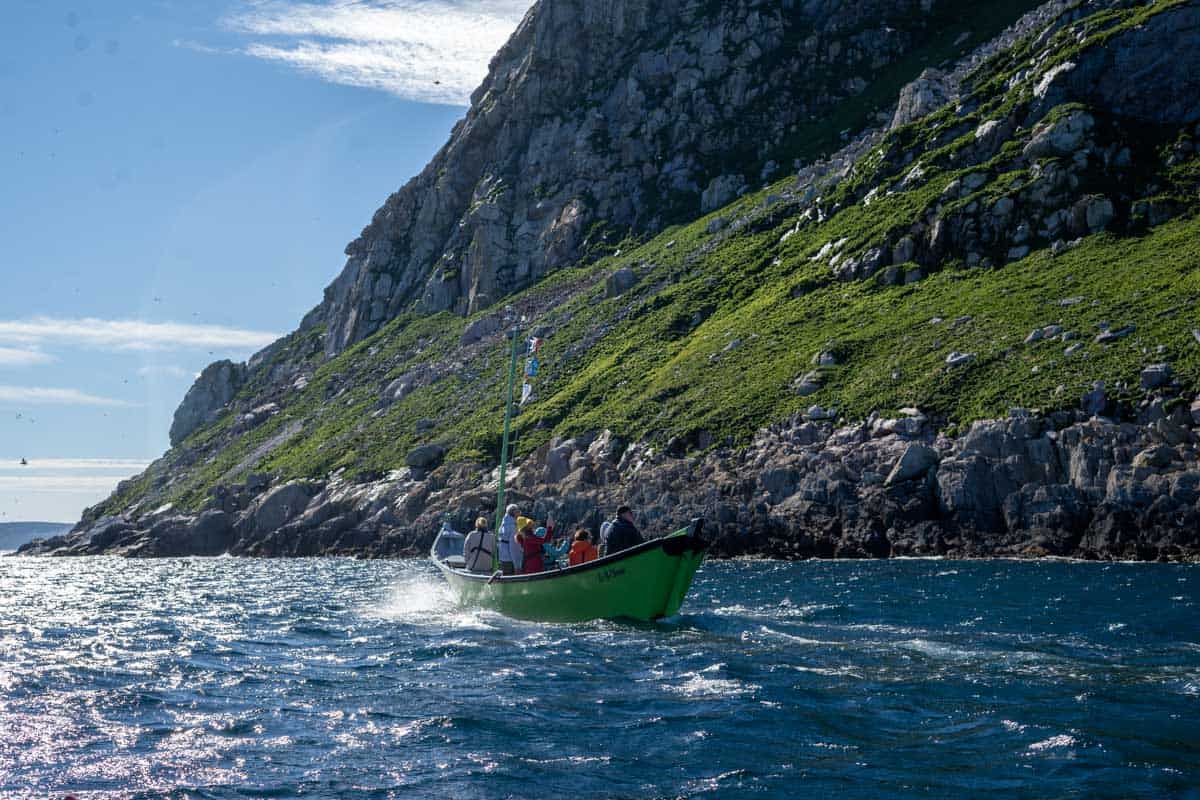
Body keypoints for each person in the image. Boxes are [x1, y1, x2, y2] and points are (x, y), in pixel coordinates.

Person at [497, 503, 519, 574]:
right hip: (510, 557)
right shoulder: (513, 526)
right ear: (513, 512)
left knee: (505, 575)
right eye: (517, 511)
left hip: (502, 555)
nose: (519, 513)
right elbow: (513, 545)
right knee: (510, 577)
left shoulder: (504, 523)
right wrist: (516, 561)